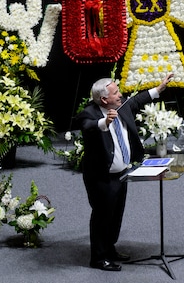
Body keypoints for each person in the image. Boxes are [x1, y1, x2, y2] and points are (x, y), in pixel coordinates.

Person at [75, 72, 174, 271]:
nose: (120, 95)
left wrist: (159, 89)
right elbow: (88, 127)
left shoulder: (121, 105)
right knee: (102, 216)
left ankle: (109, 248)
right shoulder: (90, 114)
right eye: (115, 92)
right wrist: (105, 123)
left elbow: (137, 101)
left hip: (122, 174)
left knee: (115, 214)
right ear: (104, 99)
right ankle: (98, 258)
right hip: (102, 177)